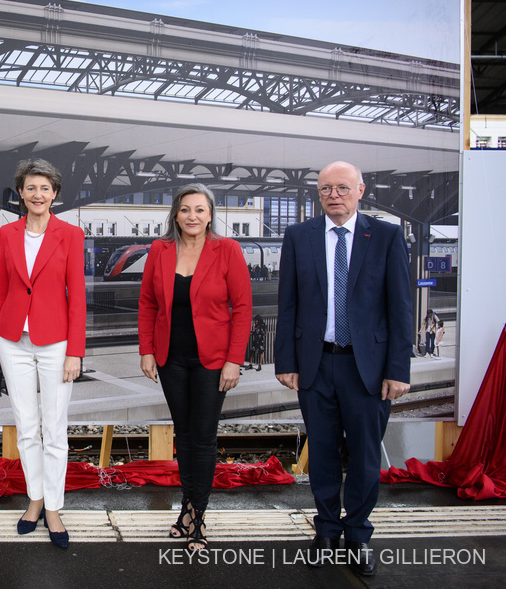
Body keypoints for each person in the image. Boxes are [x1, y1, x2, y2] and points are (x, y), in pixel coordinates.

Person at [274, 161, 411, 577]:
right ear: (319, 193)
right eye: (326, 188)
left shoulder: (385, 235)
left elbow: (400, 306)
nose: (334, 195)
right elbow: (288, 302)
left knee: (367, 456)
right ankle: (327, 530)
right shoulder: (300, 236)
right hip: (316, 365)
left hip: (366, 369)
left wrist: (398, 369)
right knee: (324, 453)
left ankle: (358, 535)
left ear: (360, 189)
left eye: (342, 188)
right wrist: (287, 361)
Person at [137, 183, 252, 551]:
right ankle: (188, 508)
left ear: (210, 215)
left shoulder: (228, 250)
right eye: (186, 210)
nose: (192, 217)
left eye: (200, 210)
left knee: (203, 439)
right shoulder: (160, 249)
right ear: (175, 214)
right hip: (171, 359)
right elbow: (147, 304)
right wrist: (147, 351)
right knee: (183, 436)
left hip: (213, 361)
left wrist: (234, 360)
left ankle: (197, 518)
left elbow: (243, 308)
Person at [0, 159, 86, 549]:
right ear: (20, 194)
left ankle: (54, 508)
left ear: (54, 193)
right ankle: (35, 500)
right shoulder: (8, 234)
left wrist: (75, 351)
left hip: (56, 343)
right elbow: (1, 291)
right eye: (30, 188)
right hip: (12, 341)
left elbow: (78, 298)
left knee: (55, 428)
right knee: (26, 427)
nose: (37, 194)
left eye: (44, 188)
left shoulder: (72, 235)